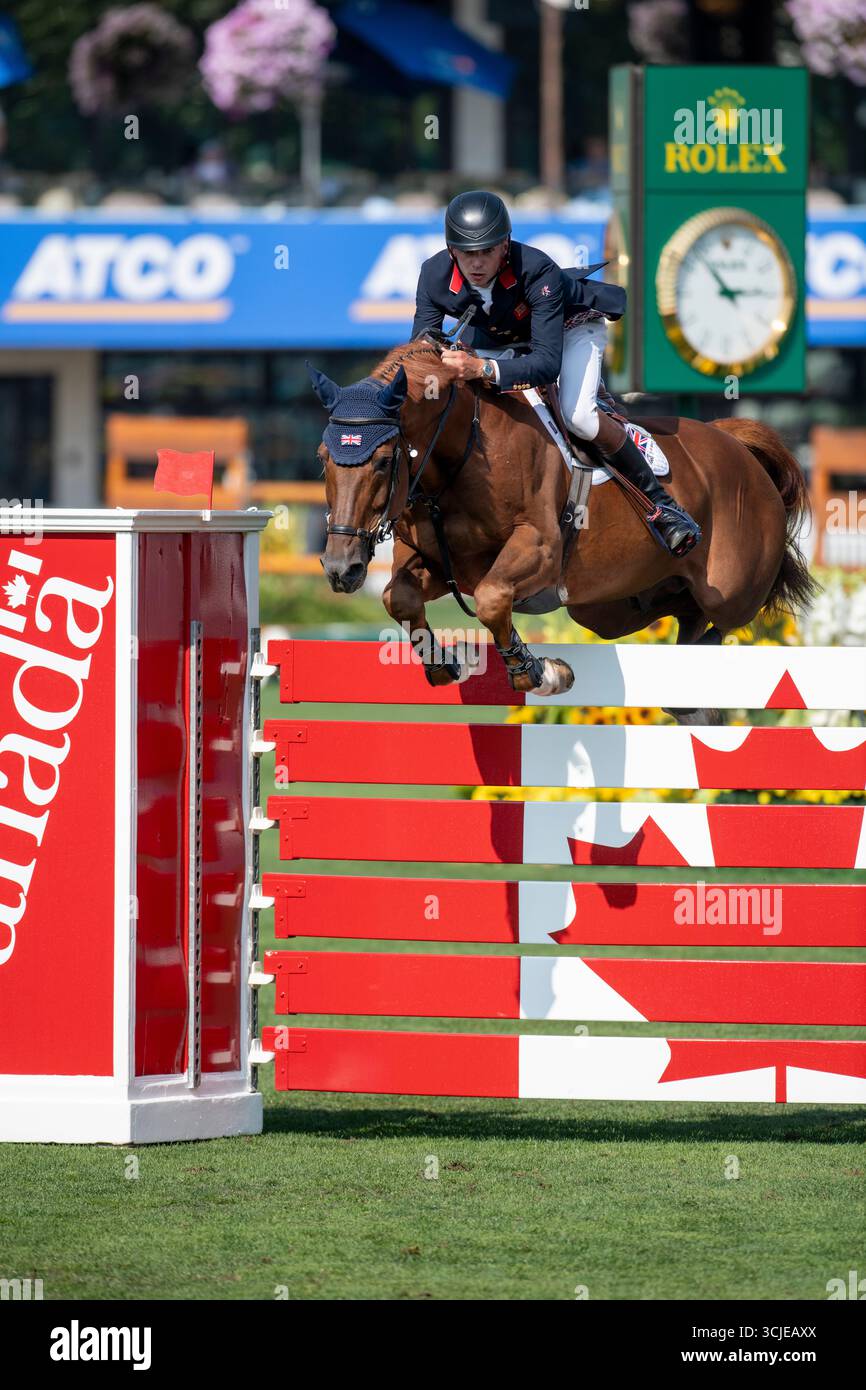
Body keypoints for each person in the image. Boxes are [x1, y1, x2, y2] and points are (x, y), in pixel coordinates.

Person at [411, 189, 701, 557]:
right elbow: (420, 348)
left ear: (505, 246)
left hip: (568, 327)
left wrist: (480, 367)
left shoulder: (537, 270)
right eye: (468, 253)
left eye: (487, 251)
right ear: (452, 251)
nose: (477, 263)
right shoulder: (433, 275)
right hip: (497, 336)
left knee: (578, 416)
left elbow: (546, 364)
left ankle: (664, 508)